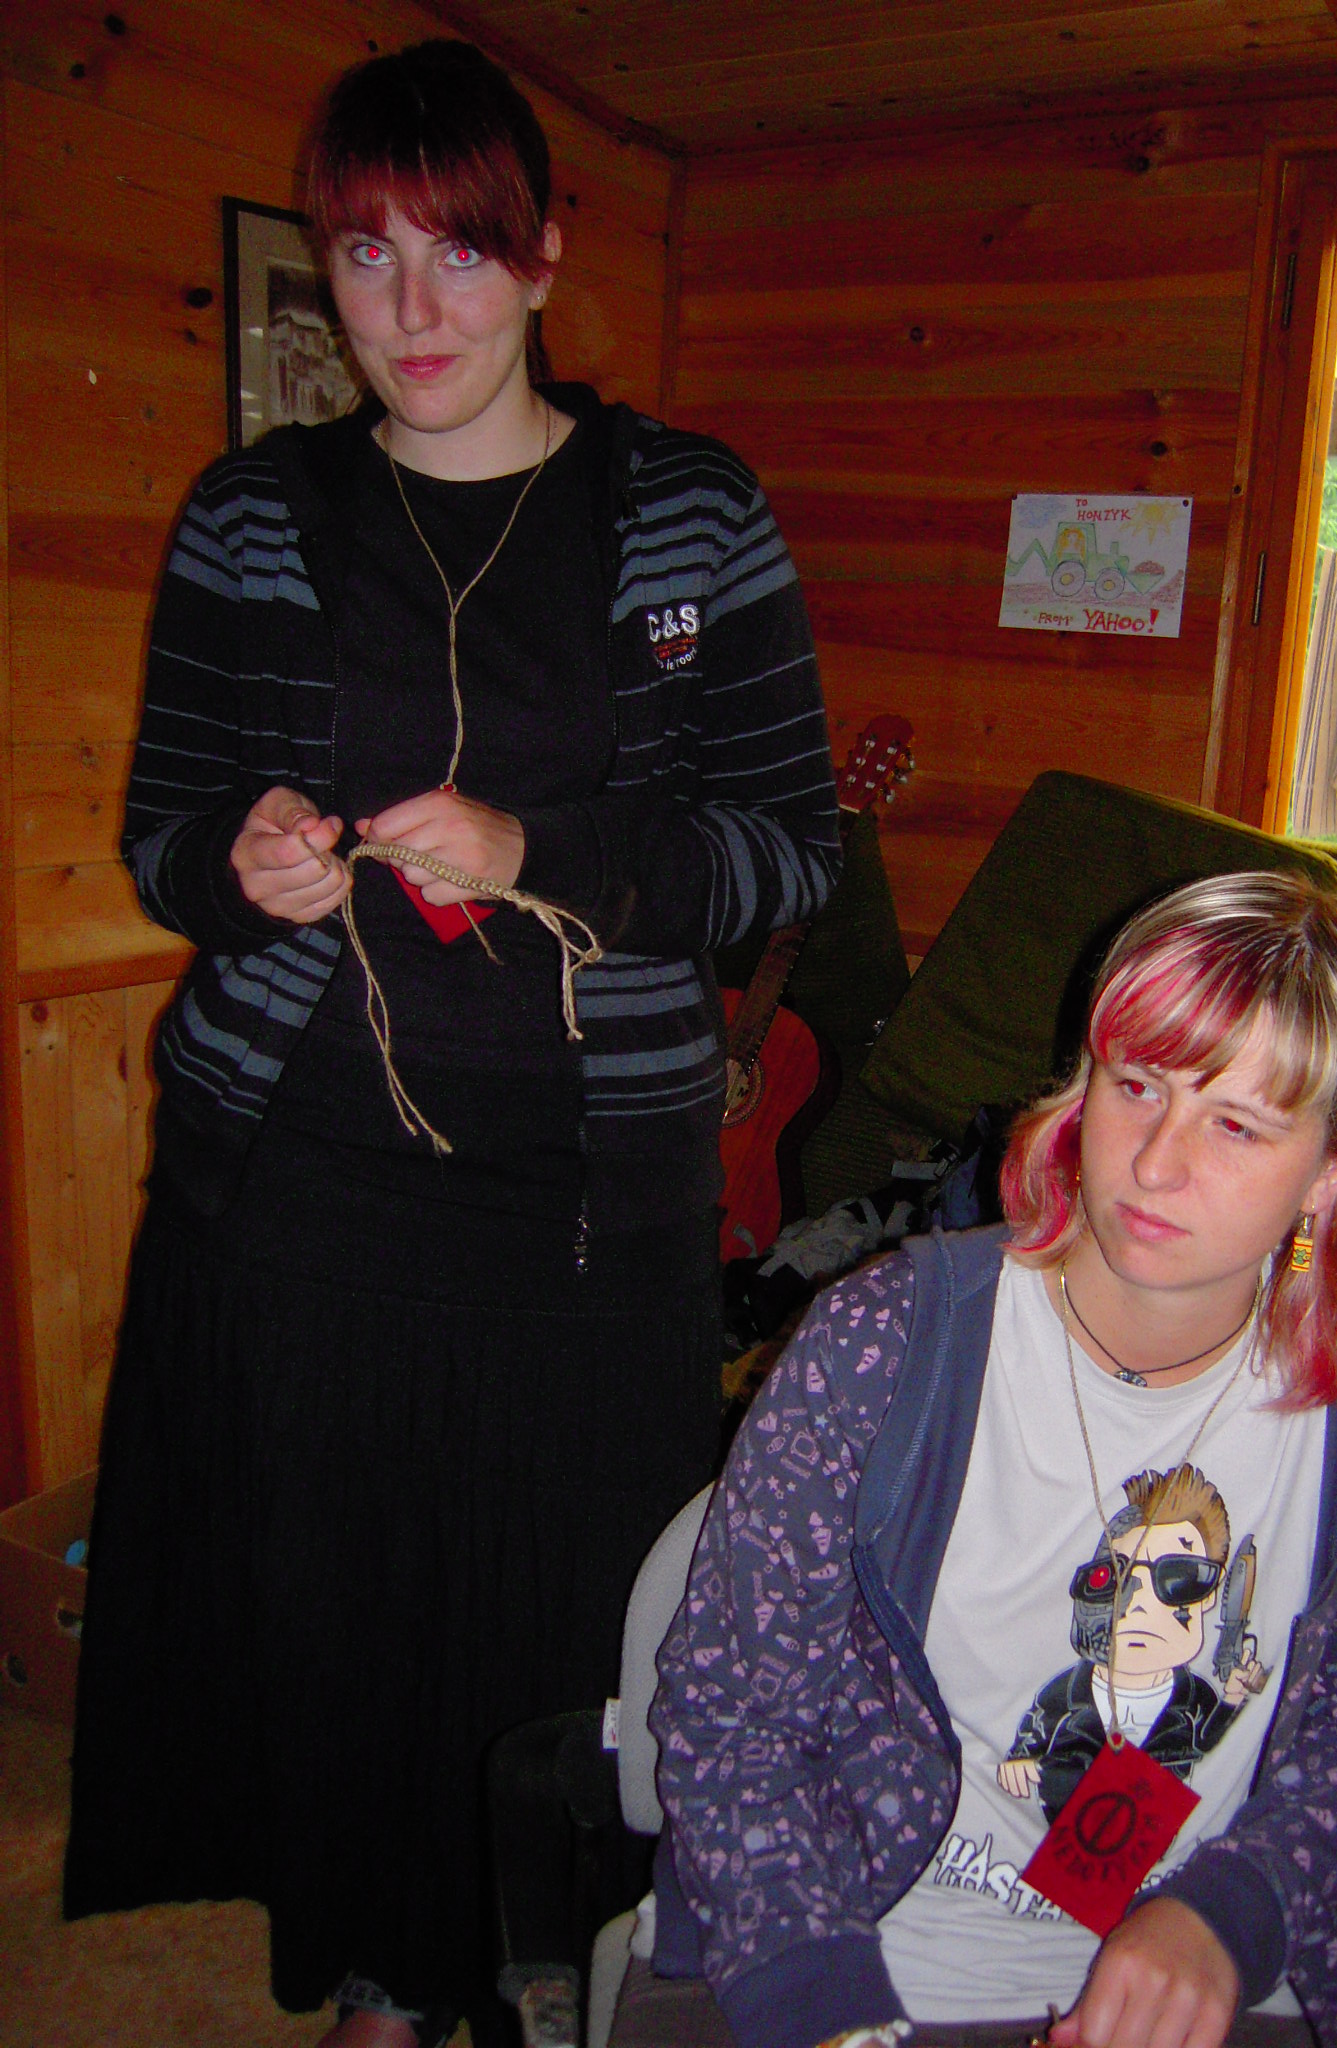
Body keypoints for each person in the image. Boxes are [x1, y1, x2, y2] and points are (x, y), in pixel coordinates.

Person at [62, 38, 841, 2048]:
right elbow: (163, 830)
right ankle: (378, 1977)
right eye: (367, 254)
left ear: (547, 257)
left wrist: (534, 850)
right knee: (331, 1614)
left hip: (588, 1204)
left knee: (559, 1619)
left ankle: (525, 1974)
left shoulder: (690, 511)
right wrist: (238, 861)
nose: (412, 309)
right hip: (303, 1178)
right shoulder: (254, 514)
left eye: (462, 255)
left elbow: (785, 849)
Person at [643, 871, 1337, 2048]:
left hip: (1194, 1990)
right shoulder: (891, 1345)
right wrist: (821, 2001)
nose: (1155, 1163)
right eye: (1137, 1086)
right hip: (851, 1953)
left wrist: (1234, 1907)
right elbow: (731, 1708)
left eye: (1236, 1123)